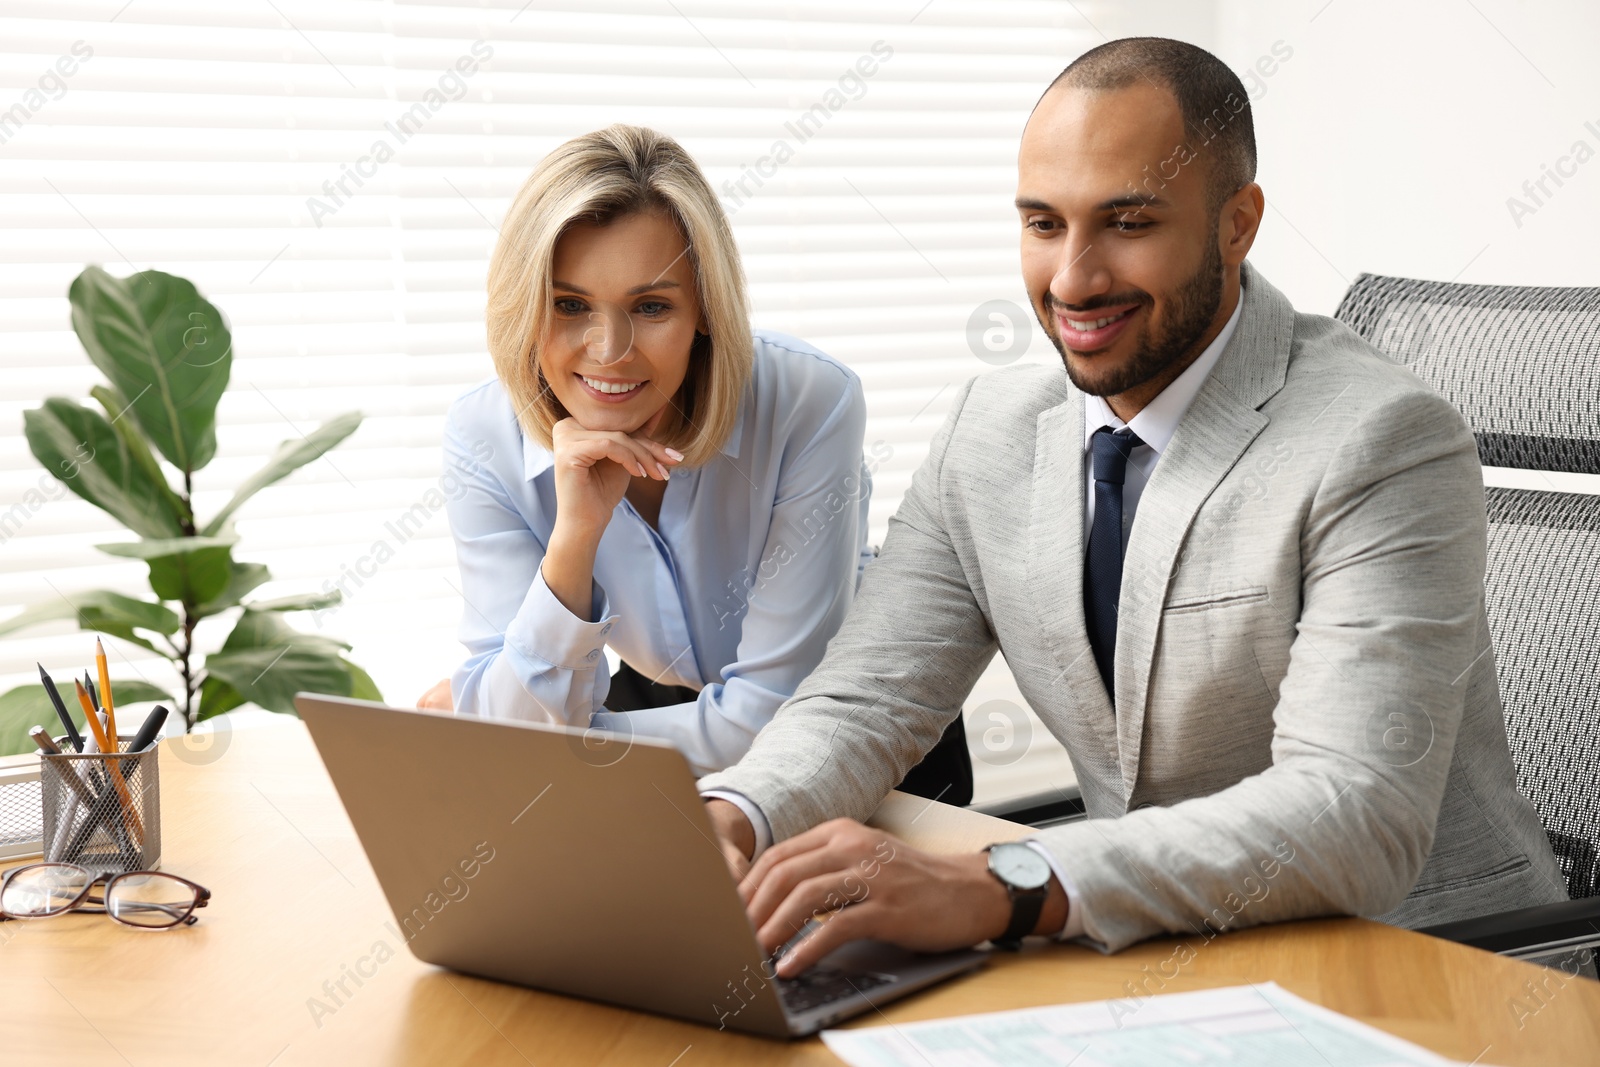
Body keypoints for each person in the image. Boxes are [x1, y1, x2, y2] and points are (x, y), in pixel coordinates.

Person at [697, 38, 1569, 974]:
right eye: (1042, 223)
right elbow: (864, 700)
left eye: (1128, 222)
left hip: (1431, 969)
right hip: (1162, 956)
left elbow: (1352, 808)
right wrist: (735, 817)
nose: (1073, 278)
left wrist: (1003, 882)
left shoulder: (1382, 439)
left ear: (1237, 224)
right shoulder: (986, 435)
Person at [432, 124, 876, 775]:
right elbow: (514, 747)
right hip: (658, 711)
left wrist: (554, 736)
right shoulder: (483, 437)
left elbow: (776, 716)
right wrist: (575, 536)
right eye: (570, 303)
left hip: (843, 723)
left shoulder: (809, 401)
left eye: (650, 306)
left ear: (705, 309)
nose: (609, 350)